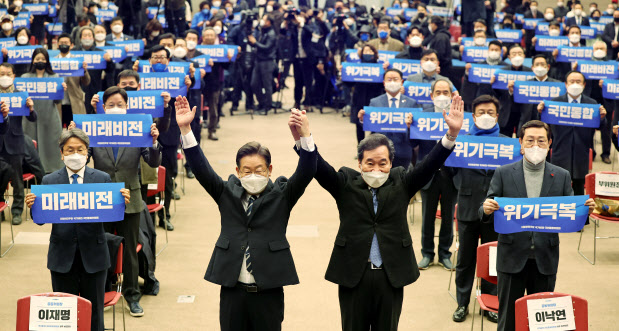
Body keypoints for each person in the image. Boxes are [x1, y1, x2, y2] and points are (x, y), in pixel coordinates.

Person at [304, 88, 463, 330]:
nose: (376, 168)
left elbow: (430, 164)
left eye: (383, 163)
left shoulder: (402, 182)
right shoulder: (345, 183)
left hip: (390, 274)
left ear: (391, 163)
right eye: (370, 163)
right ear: (359, 163)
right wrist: (305, 138)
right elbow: (320, 168)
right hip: (353, 274)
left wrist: (451, 134)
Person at [175, 97, 317, 331]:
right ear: (238, 172)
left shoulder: (282, 195)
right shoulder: (225, 193)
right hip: (233, 291)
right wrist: (185, 129)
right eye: (246, 171)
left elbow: (307, 170)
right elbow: (201, 169)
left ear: (269, 170)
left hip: (269, 292)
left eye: (259, 170)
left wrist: (306, 136)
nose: (253, 175)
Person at [480, 120, 595, 331]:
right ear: (521, 144)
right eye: (530, 140)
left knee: (540, 321)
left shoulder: (561, 176)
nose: (536, 146)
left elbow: (570, 213)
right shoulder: (504, 173)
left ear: (550, 143)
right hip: (511, 258)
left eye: (541, 141)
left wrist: (585, 211)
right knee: (507, 320)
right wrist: (486, 209)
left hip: (545, 259)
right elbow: (486, 208)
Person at [25, 128, 131, 331]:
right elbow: (40, 221)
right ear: (62, 154)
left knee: (95, 316)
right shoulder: (49, 181)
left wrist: (120, 202)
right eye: (70, 150)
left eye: (80, 150)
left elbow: (111, 218)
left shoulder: (102, 179)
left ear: (87, 153)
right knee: (65, 317)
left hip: (95, 257)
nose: (75, 154)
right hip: (62, 258)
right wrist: (33, 207)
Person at [69, 86, 162, 317]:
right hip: (100, 198)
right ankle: (103, 291)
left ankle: (132, 295)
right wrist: (74, 137)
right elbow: (80, 161)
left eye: (120, 104)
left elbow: (152, 161)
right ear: (102, 107)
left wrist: (153, 142)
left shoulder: (137, 129)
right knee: (100, 247)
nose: (115, 108)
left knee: (129, 249)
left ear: (127, 107)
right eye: (110, 105)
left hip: (130, 198)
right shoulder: (93, 131)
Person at [452, 95, 503, 324]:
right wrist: (464, 190)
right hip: (468, 207)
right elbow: (451, 173)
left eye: (490, 112)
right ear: (473, 116)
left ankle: (490, 302)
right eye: (481, 112)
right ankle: (462, 302)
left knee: (493, 258)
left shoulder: (508, 143)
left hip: (497, 210)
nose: (485, 116)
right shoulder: (462, 141)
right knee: (465, 258)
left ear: (497, 116)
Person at [536, 71, 607, 196]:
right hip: (560, 151)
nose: (575, 84)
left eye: (578, 82)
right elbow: (543, 125)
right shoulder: (555, 102)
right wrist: (541, 112)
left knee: (579, 190)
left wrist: (602, 117)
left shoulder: (592, 104)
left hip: (581, 152)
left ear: (584, 84)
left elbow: (601, 127)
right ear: (566, 84)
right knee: (557, 188)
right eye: (572, 82)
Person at [414, 79, 459, 271]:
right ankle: (427, 253)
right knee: (427, 216)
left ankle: (445, 254)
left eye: (446, 92)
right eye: (438, 92)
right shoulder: (421, 116)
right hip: (428, 174)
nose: (442, 95)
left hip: (451, 174)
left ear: (451, 95)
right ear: (431, 96)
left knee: (448, 218)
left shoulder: (459, 117)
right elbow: (412, 146)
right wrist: (410, 127)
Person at [357, 69, 420, 169]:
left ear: (401, 82)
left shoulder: (411, 103)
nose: (392, 82)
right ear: (384, 83)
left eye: (395, 79)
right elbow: (369, 125)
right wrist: (362, 120)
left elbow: (416, 129)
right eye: (389, 79)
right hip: (378, 152)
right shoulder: (375, 102)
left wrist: (409, 126)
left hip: (403, 151)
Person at [73, 26, 115, 114]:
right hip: (77, 87)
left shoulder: (100, 52)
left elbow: (110, 71)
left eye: (89, 35)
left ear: (93, 37)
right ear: (80, 38)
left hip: (95, 86)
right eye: (84, 35)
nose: (87, 38)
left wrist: (109, 61)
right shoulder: (74, 52)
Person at [347, 44, 385, 144]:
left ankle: (372, 148)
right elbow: (348, 83)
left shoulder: (380, 68)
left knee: (375, 127)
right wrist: (344, 72)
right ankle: (360, 149)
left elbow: (383, 85)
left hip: (375, 100)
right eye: (365, 51)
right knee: (359, 126)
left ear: (374, 53)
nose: (367, 53)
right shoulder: (357, 67)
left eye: (370, 51)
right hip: (359, 100)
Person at [493, 44, 531, 137]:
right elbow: (497, 95)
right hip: (507, 112)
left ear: (524, 56)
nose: (517, 56)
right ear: (509, 57)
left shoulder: (531, 73)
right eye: (514, 54)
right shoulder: (501, 72)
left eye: (519, 53)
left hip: (524, 112)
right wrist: (494, 84)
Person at [56, 33, 90, 127]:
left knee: (77, 130)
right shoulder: (52, 62)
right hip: (57, 102)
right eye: (61, 42)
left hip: (74, 101)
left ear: (71, 45)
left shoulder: (78, 61)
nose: (63, 44)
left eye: (66, 42)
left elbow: (86, 82)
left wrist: (84, 70)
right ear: (57, 45)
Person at [519, 55, 560, 129]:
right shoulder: (524, 85)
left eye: (542, 64)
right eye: (537, 64)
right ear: (532, 67)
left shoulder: (557, 86)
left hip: (550, 126)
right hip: (527, 124)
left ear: (548, 67)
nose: (540, 67)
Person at [462, 40, 505, 111]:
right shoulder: (479, 65)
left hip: (500, 101)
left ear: (501, 51)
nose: (494, 51)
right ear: (488, 50)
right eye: (492, 49)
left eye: (496, 50)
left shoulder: (505, 68)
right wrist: (467, 72)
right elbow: (470, 85)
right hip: (481, 98)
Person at [248, 14, 277, 115]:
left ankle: (267, 106)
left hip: (267, 62)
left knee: (267, 85)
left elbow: (267, 47)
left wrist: (255, 42)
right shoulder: (262, 31)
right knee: (254, 83)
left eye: (264, 19)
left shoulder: (272, 33)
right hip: (258, 61)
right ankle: (262, 102)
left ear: (268, 22)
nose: (262, 21)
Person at [424, 16, 454, 89]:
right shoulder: (437, 35)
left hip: (442, 70)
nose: (429, 26)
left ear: (434, 24)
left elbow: (440, 54)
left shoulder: (441, 37)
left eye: (430, 23)